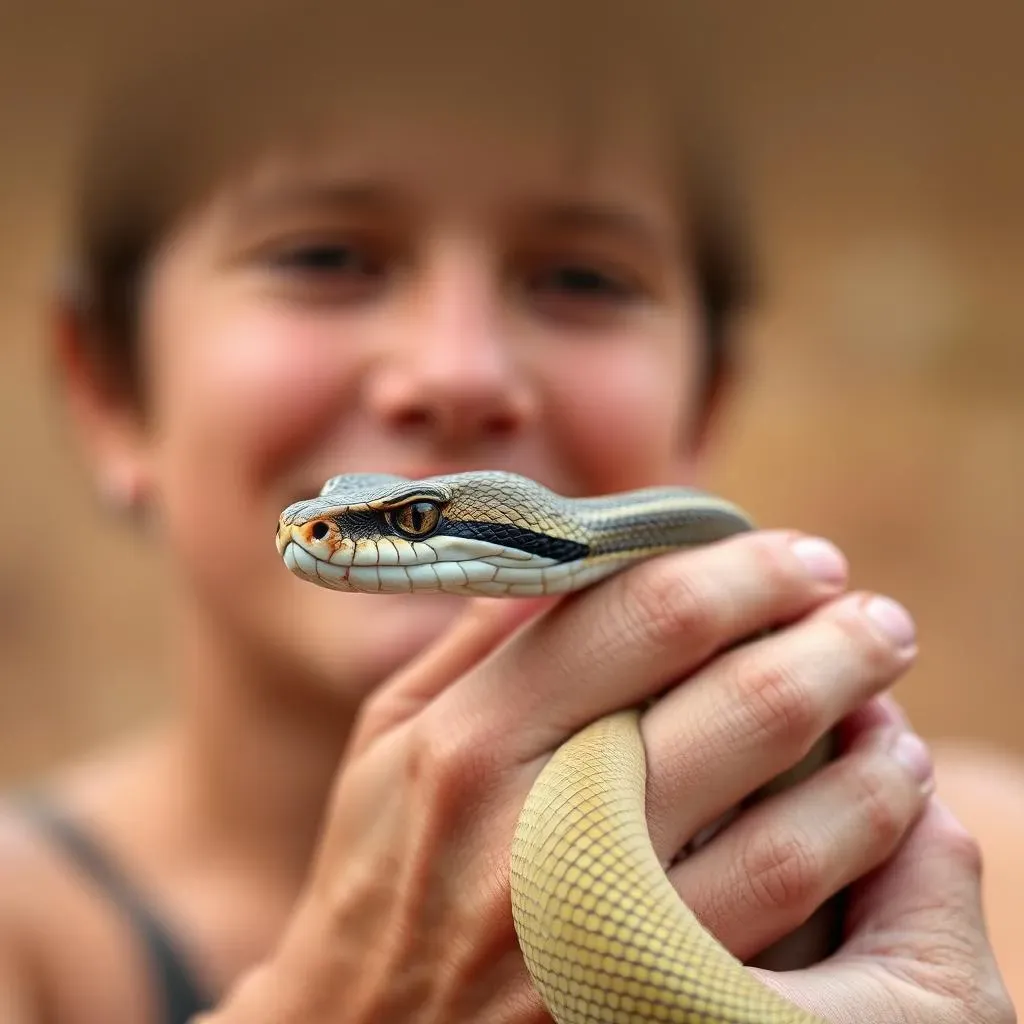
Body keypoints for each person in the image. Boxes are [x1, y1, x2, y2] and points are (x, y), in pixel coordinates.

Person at [0, 7, 1015, 1023]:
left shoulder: (961, 868)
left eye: (582, 277)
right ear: (105, 388)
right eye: (322, 257)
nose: (457, 372)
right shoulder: (29, 938)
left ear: (705, 402)